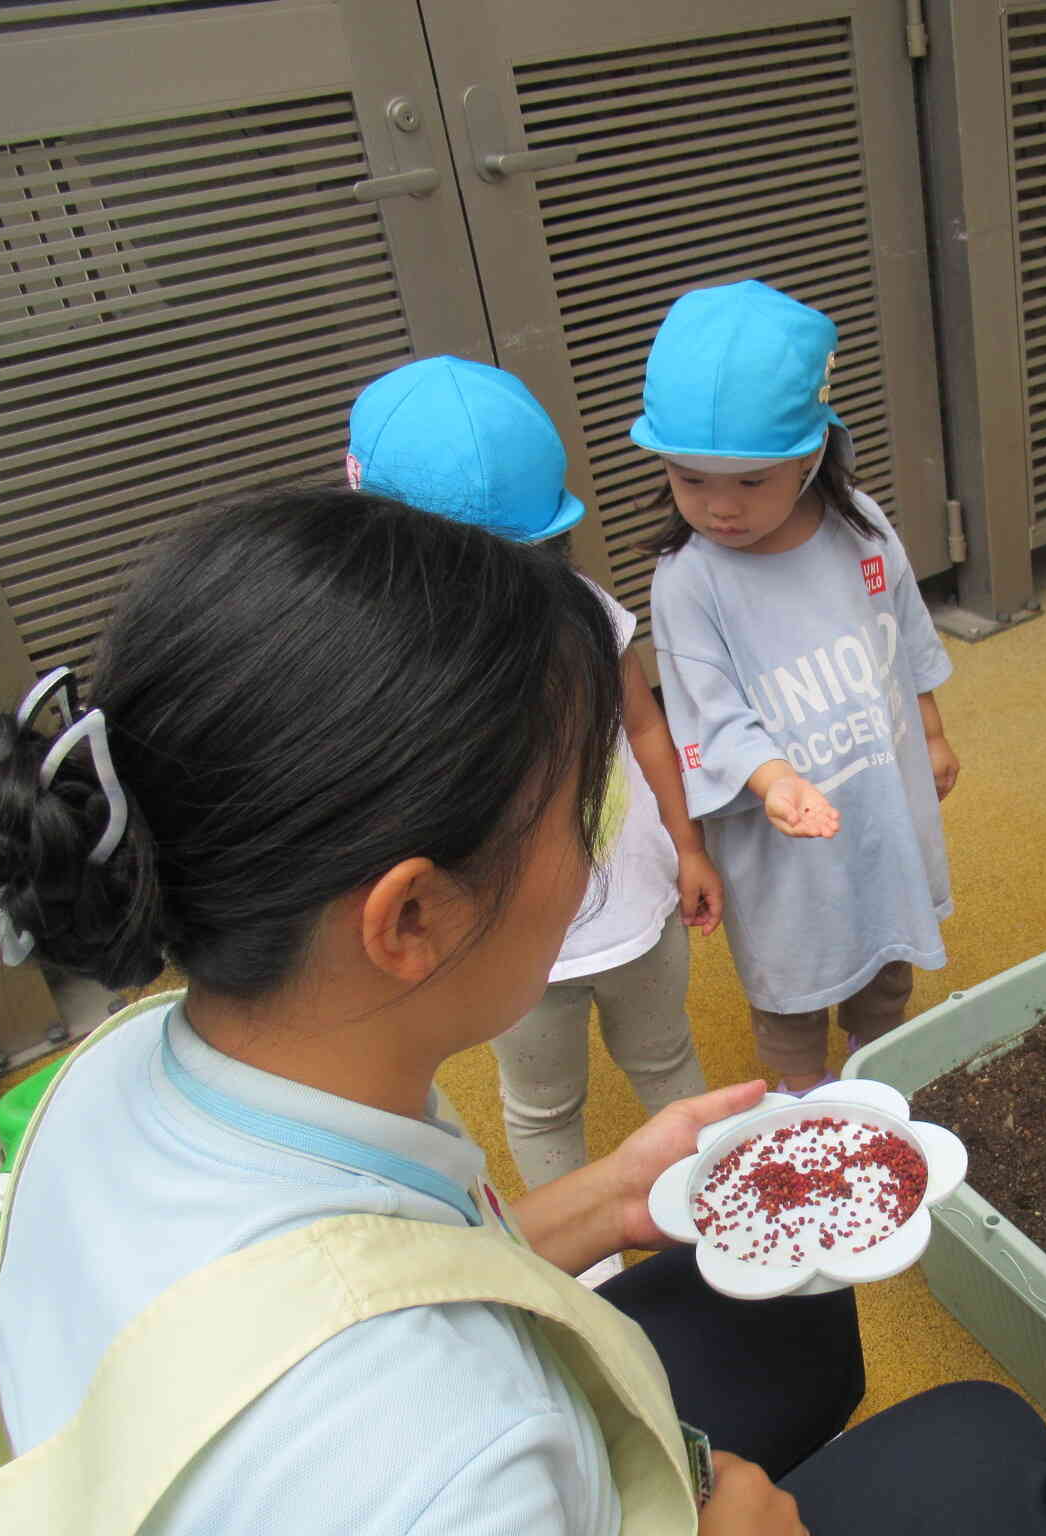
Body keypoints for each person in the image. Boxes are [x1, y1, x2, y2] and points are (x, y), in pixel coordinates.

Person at [0, 488, 1046, 1534]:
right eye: (584, 811)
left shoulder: (133, 1063)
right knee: (989, 1450)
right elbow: (382, 1379)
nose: (596, 857)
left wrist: (609, 1198)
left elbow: (349, 1277)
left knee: (789, 1314)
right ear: (409, 917)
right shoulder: (436, 1462)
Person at [347, 358, 716, 1273]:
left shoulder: (589, 619)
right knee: (547, 1100)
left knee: (663, 1058)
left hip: (627, 914)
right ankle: (589, 1267)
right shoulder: (396, 672)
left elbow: (646, 728)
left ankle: (717, 1206)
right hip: (517, 955)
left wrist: (688, 844)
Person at [639, 280, 958, 1093]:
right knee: (794, 987)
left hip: (879, 795)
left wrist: (930, 726)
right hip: (780, 833)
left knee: (887, 963)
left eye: (752, 481)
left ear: (815, 451)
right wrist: (776, 779)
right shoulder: (688, 580)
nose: (721, 508)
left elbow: (905, 630)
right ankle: (810, 1111)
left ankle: (886, 1086)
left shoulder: (861, 523)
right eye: (690, 480)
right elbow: (708, 713)